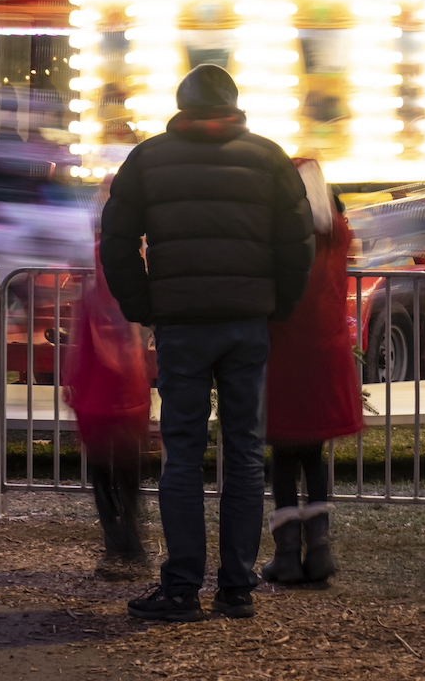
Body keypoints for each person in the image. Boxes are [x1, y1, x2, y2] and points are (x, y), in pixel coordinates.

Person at [101, 64, 314, 623]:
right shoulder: (269, 159)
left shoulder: (148, 159)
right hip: (247, 324)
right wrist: (277, 307)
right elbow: (297, 247)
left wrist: (143, 306)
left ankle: (181, 586)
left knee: (183, 453)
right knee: (244, 452)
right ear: (235, 104)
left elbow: (117, 240)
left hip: (182, 324)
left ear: (181, 104)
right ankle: (237, 586)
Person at [261, 159, 363, 586]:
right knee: (313, 453)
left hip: (286, 351)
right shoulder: (337, 232)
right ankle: (319, 550)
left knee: (283, 454)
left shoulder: (280, 234)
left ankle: (287, 553)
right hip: (327, 353)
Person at [62, 237, 154, 580]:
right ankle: (133, 543)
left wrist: (71, 385)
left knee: (102, 476)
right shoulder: (134, 299)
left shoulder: (89, 299)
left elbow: (79, 346)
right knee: (130, 475)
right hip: (129, 397)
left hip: (95, 401)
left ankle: (115, 544)